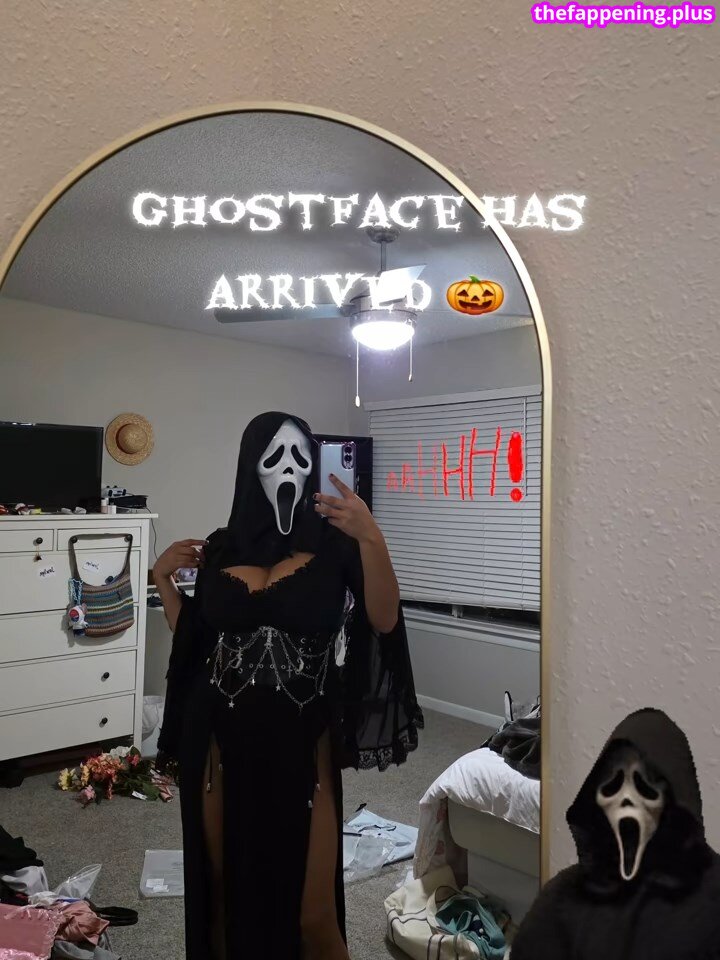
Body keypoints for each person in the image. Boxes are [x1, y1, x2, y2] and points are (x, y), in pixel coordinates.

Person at [152, 412, 423, 960]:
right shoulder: (222, 548)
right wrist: (163, 580)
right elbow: (199, 644)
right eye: (274, 456)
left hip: (303, 744)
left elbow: (384, 618)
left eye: (301, 456)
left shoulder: (336, 544)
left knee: (313, 915)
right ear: (250, 466)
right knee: (224, 898)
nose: (289, 468)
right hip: (220, 742)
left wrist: (371, 535)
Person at [509, 707, 720, 959]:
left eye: (645, 785)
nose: (627, 798)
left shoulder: (713, 897)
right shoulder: (563, 898)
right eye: (613, 783)